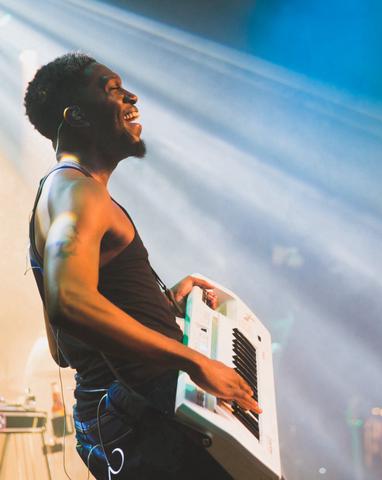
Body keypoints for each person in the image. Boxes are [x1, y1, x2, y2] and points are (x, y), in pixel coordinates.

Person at [24, 52, 261, 479]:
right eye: (113, 89)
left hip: (113, 423)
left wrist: (161, 303)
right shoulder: (79, 193)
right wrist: (194, 361)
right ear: (77, 116)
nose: (132, 97)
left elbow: (65, 348)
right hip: (140, 424)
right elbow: (69, 303)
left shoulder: (59, 192)